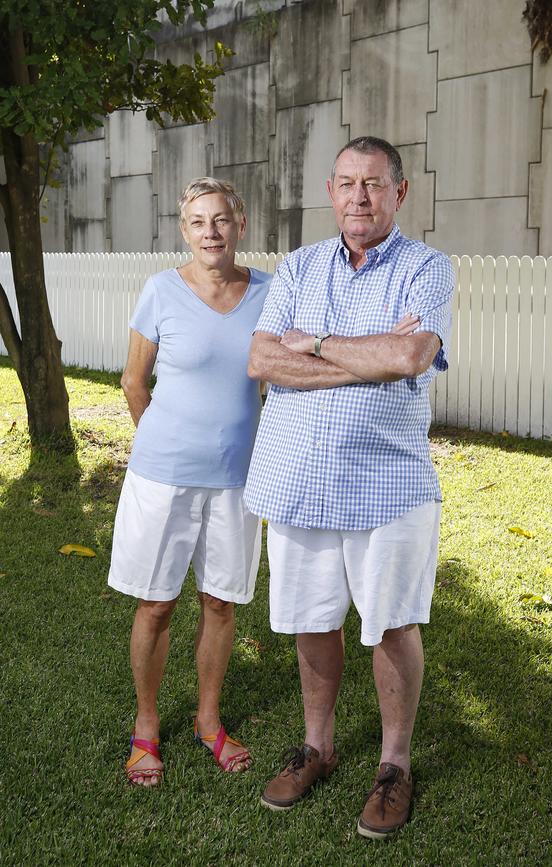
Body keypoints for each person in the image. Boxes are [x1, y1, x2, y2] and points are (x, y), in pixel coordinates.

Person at [244, 137, 454, 838]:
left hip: (386, 483)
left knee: (392, 620)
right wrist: (362, 353)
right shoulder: (299, 266)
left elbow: (408, 355)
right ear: (330, 192)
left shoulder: (427, 268)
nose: (358, 197)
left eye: (372, 183)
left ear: (399, 192)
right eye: (345, 183)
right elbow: (261, 359)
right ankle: (318, 746)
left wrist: (316, 341)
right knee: (312, 617)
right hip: (299, 478)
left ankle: (394, 765)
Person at [108, 177, 272, 786]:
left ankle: (209, 721)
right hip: (165, 476)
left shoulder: (269, 292)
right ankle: (146, 726)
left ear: (241, 224)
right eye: (199, 222)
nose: (211, 231)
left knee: (220, 602)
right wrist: (162, 441)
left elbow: (277, 375)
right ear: (185, 231)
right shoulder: (160, 291)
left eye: (222, 219)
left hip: (236, 478)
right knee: (157, 604)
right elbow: (133, 381)